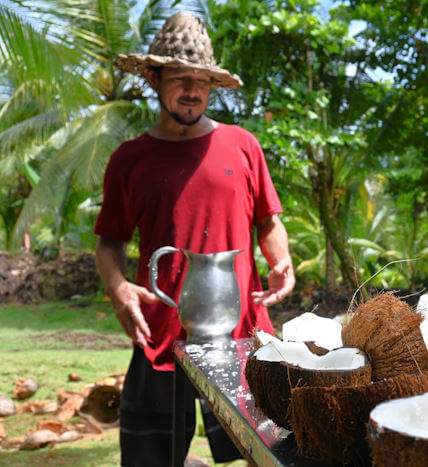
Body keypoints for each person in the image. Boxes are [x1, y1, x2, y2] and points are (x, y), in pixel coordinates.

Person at [94, 12, 295, 466]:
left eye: (202, 81)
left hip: (244, 334)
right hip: (159, 335)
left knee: (273, 453)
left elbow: (268, 222)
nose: (192, 90)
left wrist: (281, 260)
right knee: (149, 458)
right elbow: (109, 243)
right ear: (152, 78)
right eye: (180, 78)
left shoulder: (243, 145)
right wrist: (118, 287)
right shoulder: (129, 159)